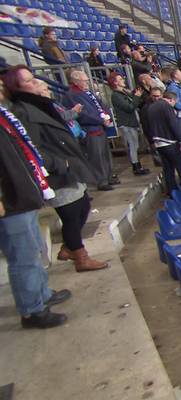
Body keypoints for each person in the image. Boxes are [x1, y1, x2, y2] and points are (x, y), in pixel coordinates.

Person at [6, 67, 108, 273]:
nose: (37, 83)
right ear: (16, 88)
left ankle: (70, 247)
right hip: (57, 171)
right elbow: (30, 147)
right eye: (29, 81)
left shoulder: (41, 105)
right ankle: (80, 257)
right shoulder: (23, 111)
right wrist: (60, 164)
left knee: (82, 207)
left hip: (69, 165)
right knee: (71, 213)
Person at [0, 69, 70, 328]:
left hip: (24, 195)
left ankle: (42, 294)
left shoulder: (6, 116)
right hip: (11, 200)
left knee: (33, 251)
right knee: (23, 256)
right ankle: (32, 311)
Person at [62, 69, 117, 191]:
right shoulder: (71, 96)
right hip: (90, 129)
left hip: (100, 127)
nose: (87, 82)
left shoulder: (88, 92)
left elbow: (101, 105)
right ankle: (101, 180)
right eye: (85, 81)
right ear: (76, 82)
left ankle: (108, 176)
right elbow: (82, 115)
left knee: (105, 154)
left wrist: (107, 116)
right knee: (96, 156)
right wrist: (100, 120)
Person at [108, 72, 150, 176]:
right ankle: (136, 167)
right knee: (133, 145)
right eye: (120, 79)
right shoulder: (116, 95)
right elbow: (129, 107)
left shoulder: (124, 92)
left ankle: (138, 165)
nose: (123, 80)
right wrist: (136, 97)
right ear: (115, 82)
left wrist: (137, 96)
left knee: (135, 145)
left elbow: (136, 103)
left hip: (132, 122)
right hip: (127, 123)